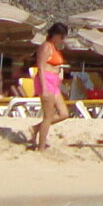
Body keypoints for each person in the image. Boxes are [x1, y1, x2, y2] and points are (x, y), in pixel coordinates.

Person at [27, 23, 71, 151]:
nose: (63, 40)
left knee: (64, 113)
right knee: (48, 116)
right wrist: (44, 89)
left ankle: (35, 128)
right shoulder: (46, 47)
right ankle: (41, 147)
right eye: (62, 37)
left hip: (53, 82)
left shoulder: (54, 48)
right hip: (45, 80)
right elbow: (40, 67)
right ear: (56, 35)